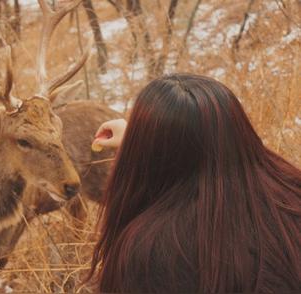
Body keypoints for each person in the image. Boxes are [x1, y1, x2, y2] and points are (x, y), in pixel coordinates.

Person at [87, 73, 301, 293]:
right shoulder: (291, 195)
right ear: (239, 131)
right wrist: (134, 139)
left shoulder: (152, 252)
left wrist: (141, 145)